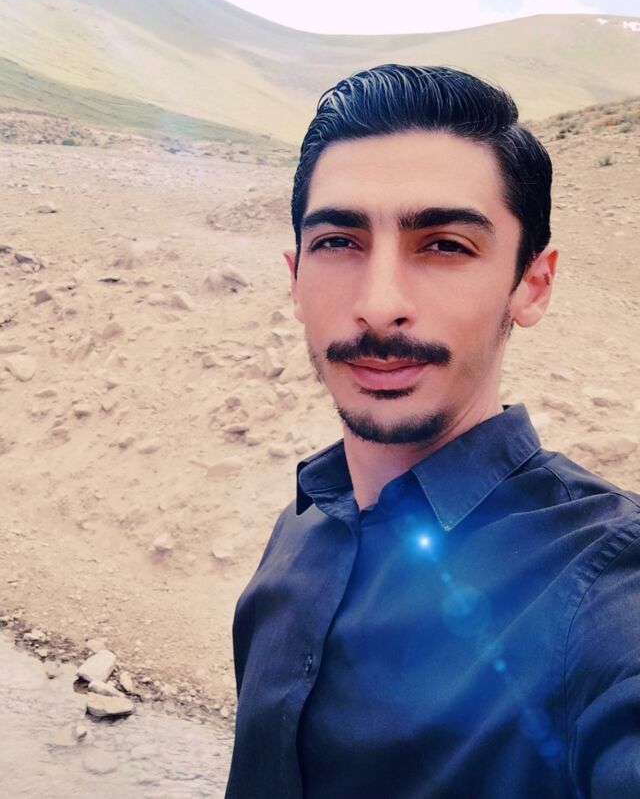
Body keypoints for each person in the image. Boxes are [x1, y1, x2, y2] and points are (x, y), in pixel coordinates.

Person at [224, 64, 640, 798]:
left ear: (531, 284)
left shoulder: (607, 583)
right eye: (338, 242)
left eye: (445, 245)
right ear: (295, 280)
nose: (379, 303)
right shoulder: (300, 531)